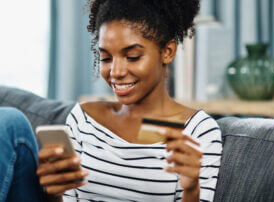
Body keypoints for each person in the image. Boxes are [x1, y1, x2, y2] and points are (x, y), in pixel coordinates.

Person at [0, 0, 222, 201]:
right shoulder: (83, 118)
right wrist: (54, 192)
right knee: (10, 122)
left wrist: (191, 189)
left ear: (168, 51)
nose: (115, 72)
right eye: (106, 58)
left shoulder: (198, 131)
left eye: (132, 56)